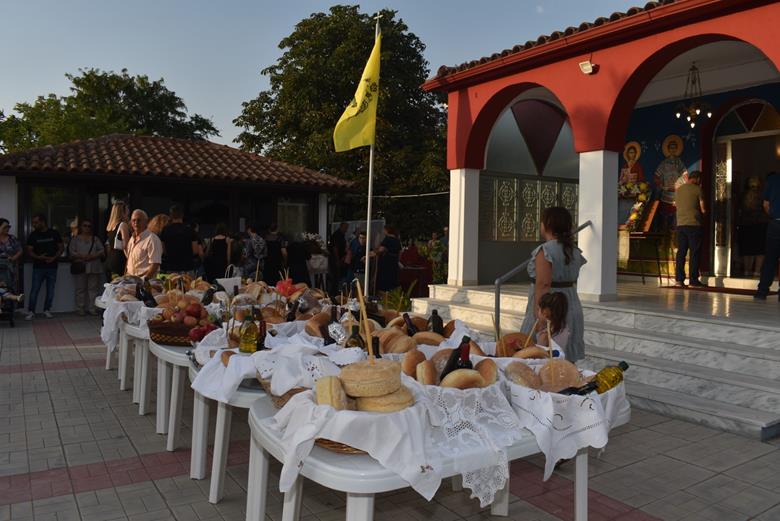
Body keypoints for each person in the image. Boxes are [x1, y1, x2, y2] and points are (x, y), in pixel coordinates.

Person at [520, 207, 586, 362]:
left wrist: (539, 315)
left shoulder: (545, 250)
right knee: (564, 358)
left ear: (547, 225)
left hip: (550, 306)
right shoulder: (573, 250)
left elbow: (543, 284)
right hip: (570, 304)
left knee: (538, 356)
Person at [25, 214, 64, 320]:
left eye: (36, 222)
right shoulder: (33, 235)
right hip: (38, 267)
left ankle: (47, 310)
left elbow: (61, 248)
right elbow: (29, 250)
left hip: (52, 266)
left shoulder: (54, 233)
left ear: (43, 222)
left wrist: (54, 258)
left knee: (50, 290)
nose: (34, 225)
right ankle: (31, 311)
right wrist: (39, 257)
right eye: (33, 223)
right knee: (35, 290)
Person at [674, 170, 706, 288]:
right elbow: (703, 209)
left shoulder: (679, 190)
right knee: (694, 252)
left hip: (680, 224)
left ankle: (679, 280)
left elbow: (676, 205)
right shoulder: (697, 189)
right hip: (694, 224)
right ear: (697, 179)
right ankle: (693, 281)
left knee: (681, 252)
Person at [68, 219, 104, 315]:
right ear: (81, 227)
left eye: (89, 226)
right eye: (85, 225)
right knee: (80, 289)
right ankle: (80, 308)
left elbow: (102, 250)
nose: (87, 228)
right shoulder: (75, 239)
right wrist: (81, 256)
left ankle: (92, 309)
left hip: (94, 266)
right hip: (81, 266)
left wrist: (93, 256)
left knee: (93, 289)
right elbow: (71, 251)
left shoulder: (95, 239)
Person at [754, 172, 780, 300]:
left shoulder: (773, 180)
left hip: (775, 223)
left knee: (770, 258)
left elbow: (765, 204)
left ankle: (762, 291)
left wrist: (773, 216)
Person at [738, 176, 768, 277]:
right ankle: (757, 271)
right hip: (760, 224)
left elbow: (738, 209)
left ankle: (747, 270)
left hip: (745, 224)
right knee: (760, 250)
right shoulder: (762, 195)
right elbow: (766, 208)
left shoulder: (743, 195)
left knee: (747, 249)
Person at [159, 205, 200, 275]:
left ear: (171, 216)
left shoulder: (165, 230)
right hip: (187, 267)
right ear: (182, 215)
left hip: (171, 267)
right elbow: (195, 251)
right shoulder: (190, 230)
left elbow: (163, 250)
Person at [125, 210, 163, 278]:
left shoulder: (152, 239)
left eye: (139, 220)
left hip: (145, 281)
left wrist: (145, 280)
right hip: (130, 279)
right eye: (133, 220)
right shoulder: (132, 239)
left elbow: (155, 264)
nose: (136, 223)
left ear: (146, 222)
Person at [105, 201, 131, 279]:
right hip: (120, 260)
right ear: (122, 212)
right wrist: (130, 260)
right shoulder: (123, 225)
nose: (129, 212)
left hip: (110, 260)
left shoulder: (110, 227)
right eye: (127, 210)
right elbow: (126, 246)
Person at [376, 225, 401, 292]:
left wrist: (376, 251)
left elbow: (381, 250)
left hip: (386, 263)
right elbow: (399, 253)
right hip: (394, 263)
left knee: (384, 281)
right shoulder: (397, 240)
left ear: (386, 231)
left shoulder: (387, 239)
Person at [0, 218, 23, 289]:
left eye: (8, 227)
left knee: (11, 290)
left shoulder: (12, 238)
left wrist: (13, 258)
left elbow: (20, 250)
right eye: (5, 227)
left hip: (11, 271)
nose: (7, 229)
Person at [328, 222, 349, 292]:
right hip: (335, 258)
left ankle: (336, 291)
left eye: (347, 228)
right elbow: (335, 248)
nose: (346, 230)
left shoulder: (342, 235)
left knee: (338, 276)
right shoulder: (337, 235)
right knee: (334, 276)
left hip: (340, 258)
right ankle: (333, 292)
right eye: (345, 228)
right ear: (341, 227)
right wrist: (337, 260)